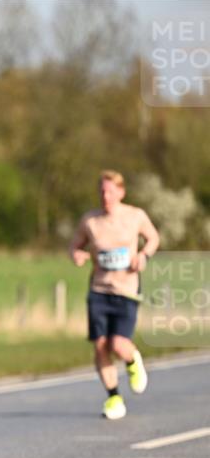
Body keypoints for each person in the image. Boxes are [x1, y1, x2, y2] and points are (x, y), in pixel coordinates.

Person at [69, 170, 160, 420]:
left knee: (118, 344)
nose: (105, 196)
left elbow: (153, 238)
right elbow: (75, 245)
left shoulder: (135, 216)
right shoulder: (90, 221)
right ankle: (113, 397)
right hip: (99, 290)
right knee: (100, 346)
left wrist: (143, 255)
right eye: (101, 191)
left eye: (110, 191)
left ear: (121, 192)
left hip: (126, 290)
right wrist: (76, 255)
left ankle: (133, 361)